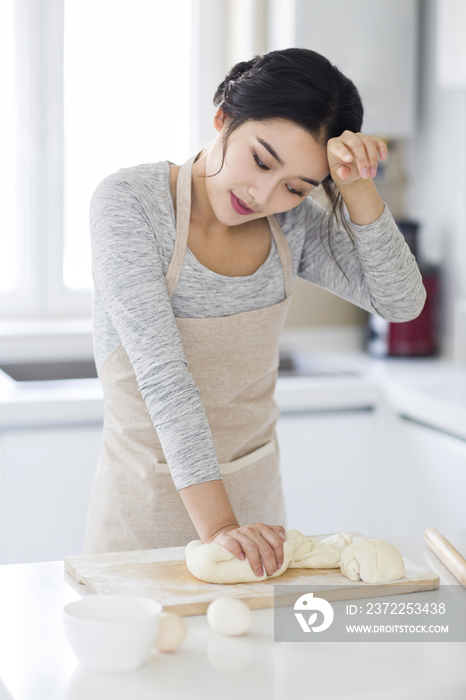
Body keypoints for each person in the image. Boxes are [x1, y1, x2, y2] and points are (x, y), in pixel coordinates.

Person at [83, 48, 425, 581]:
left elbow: (401, 303)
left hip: (259, 517)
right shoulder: (131, 204)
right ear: (223, 118)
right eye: (261, 161)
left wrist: (357, 183)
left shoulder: (292, 226)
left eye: (296, 187)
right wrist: (221, 529)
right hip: (146, 510)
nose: (262, 195)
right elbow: (164, 376)